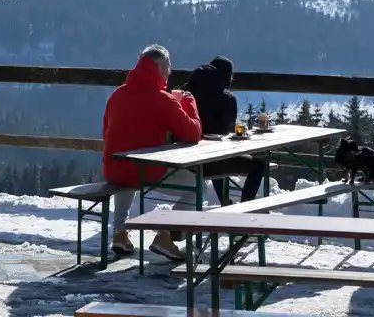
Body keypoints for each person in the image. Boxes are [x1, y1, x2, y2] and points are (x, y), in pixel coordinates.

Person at [102, 44, 204, 262]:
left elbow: (106, 131)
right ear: (160, 68)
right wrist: (188, 102)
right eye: (169, 67)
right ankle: (165, 235)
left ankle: (120, 233)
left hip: (114, 168)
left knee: (128, 169)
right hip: (147, 171)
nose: (170, 72)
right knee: (197, 187)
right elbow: (193, 133)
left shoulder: (117, 95)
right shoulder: (162, 99)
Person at [182, 56, 268, 206]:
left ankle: (225, 202)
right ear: (227, 76)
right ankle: (244, 209)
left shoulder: (186, 91)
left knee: (217, 156)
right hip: (208, 163)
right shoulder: (227, 98)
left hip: (184, 161)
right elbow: (226, 135)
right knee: (259, 165)